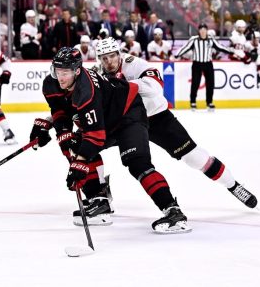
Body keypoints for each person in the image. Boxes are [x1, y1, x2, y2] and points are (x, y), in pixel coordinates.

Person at [90, 37, 257, 220]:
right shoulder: (97, 73)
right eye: (104, 58)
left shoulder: (135, 64)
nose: (109, 61)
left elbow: (155, 87)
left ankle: (233, 185)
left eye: (112, 56)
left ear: (119, 54)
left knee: (195, 158)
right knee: (87, 146)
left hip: (157, 118)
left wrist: (124, 85)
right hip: (126, 123)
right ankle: (100, 196)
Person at [30, 47, 191, 234]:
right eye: (57, 71)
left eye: (65, 72)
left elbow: (96, 137)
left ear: (76, 70)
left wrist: (79, 163)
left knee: (137, 162)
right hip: (105, 118)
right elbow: (60, 110)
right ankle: (99, 202)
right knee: (73, 146)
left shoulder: (86, 89)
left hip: (128, 114)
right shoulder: (51, 83)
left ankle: (174, 212)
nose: (60, 77)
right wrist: (59, 132)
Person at [175, 23, 236, 111]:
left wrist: (230, 51)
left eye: (204, 30)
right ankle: (193, 102)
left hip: (208, 64)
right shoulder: (194, 39)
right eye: (201, 30)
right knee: (195, 83)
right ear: (199, 31)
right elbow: (186, 48)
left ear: (206, 31)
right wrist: (177, 55)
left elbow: (219, 47)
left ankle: (209, 102)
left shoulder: (211, 39)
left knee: (210, 83)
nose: (203, 31)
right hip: (197, 64)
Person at [230, 20, 260, 88]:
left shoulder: (242, 36)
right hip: (235, 54)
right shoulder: (234, 35)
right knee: (251, 58)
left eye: (243, 27)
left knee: (259, 58)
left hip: (241, 53)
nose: (242, 29)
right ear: (236, 27)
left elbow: (242, 47)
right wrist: (244, 57)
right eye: (240, 27)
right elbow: (234, 49)